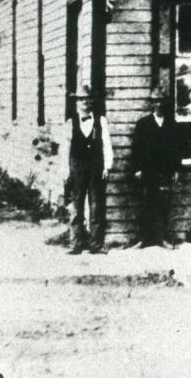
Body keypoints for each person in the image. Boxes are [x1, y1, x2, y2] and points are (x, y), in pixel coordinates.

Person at [62, 85, 114, 255]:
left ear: (92, 101)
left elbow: (106, 144)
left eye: (87, 99)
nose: (84, 102)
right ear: (77, 102)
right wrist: (65, 171)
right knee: (76, 206)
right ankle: (76, 243)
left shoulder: (101, 121)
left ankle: (96, 244)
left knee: (96, 206)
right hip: (77, 168)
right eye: (81, 99)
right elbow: (65, 149)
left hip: (96, 167)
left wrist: (107, 166)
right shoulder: (71, 122)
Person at [129, 90, 180, 248]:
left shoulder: (172, 124)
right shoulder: (143, 124)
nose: (158, 104)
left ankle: (162, 238)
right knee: (146, 204)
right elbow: (136, 148)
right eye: (155, 101)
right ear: (151, 104)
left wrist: (176, 170)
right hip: (147, 170)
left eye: (161, 101)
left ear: (165, 103)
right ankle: (144, 238)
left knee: (163, 204)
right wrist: (137, 168)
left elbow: (177, 149)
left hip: (165, 170)